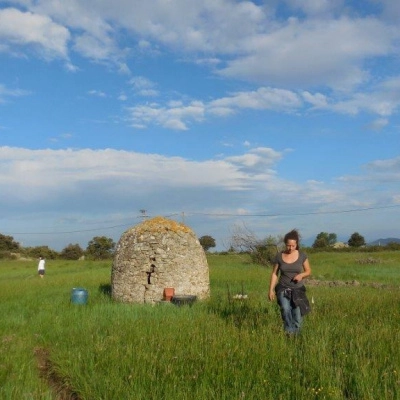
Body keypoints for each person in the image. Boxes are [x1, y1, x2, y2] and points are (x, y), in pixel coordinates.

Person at [268, 229, 311, 334]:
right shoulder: (279, 256)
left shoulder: (302, 256)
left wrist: (301, 275)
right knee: (285, 309)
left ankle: (297, 335)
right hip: (283, 287)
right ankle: (289, 332)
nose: (290, 248)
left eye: (293, 245)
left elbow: (308, 271)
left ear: (296, 244)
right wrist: (271, 290)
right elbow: (274, 274)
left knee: (297, 313)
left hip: (297, 289)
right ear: (285, 244)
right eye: (288, 245)